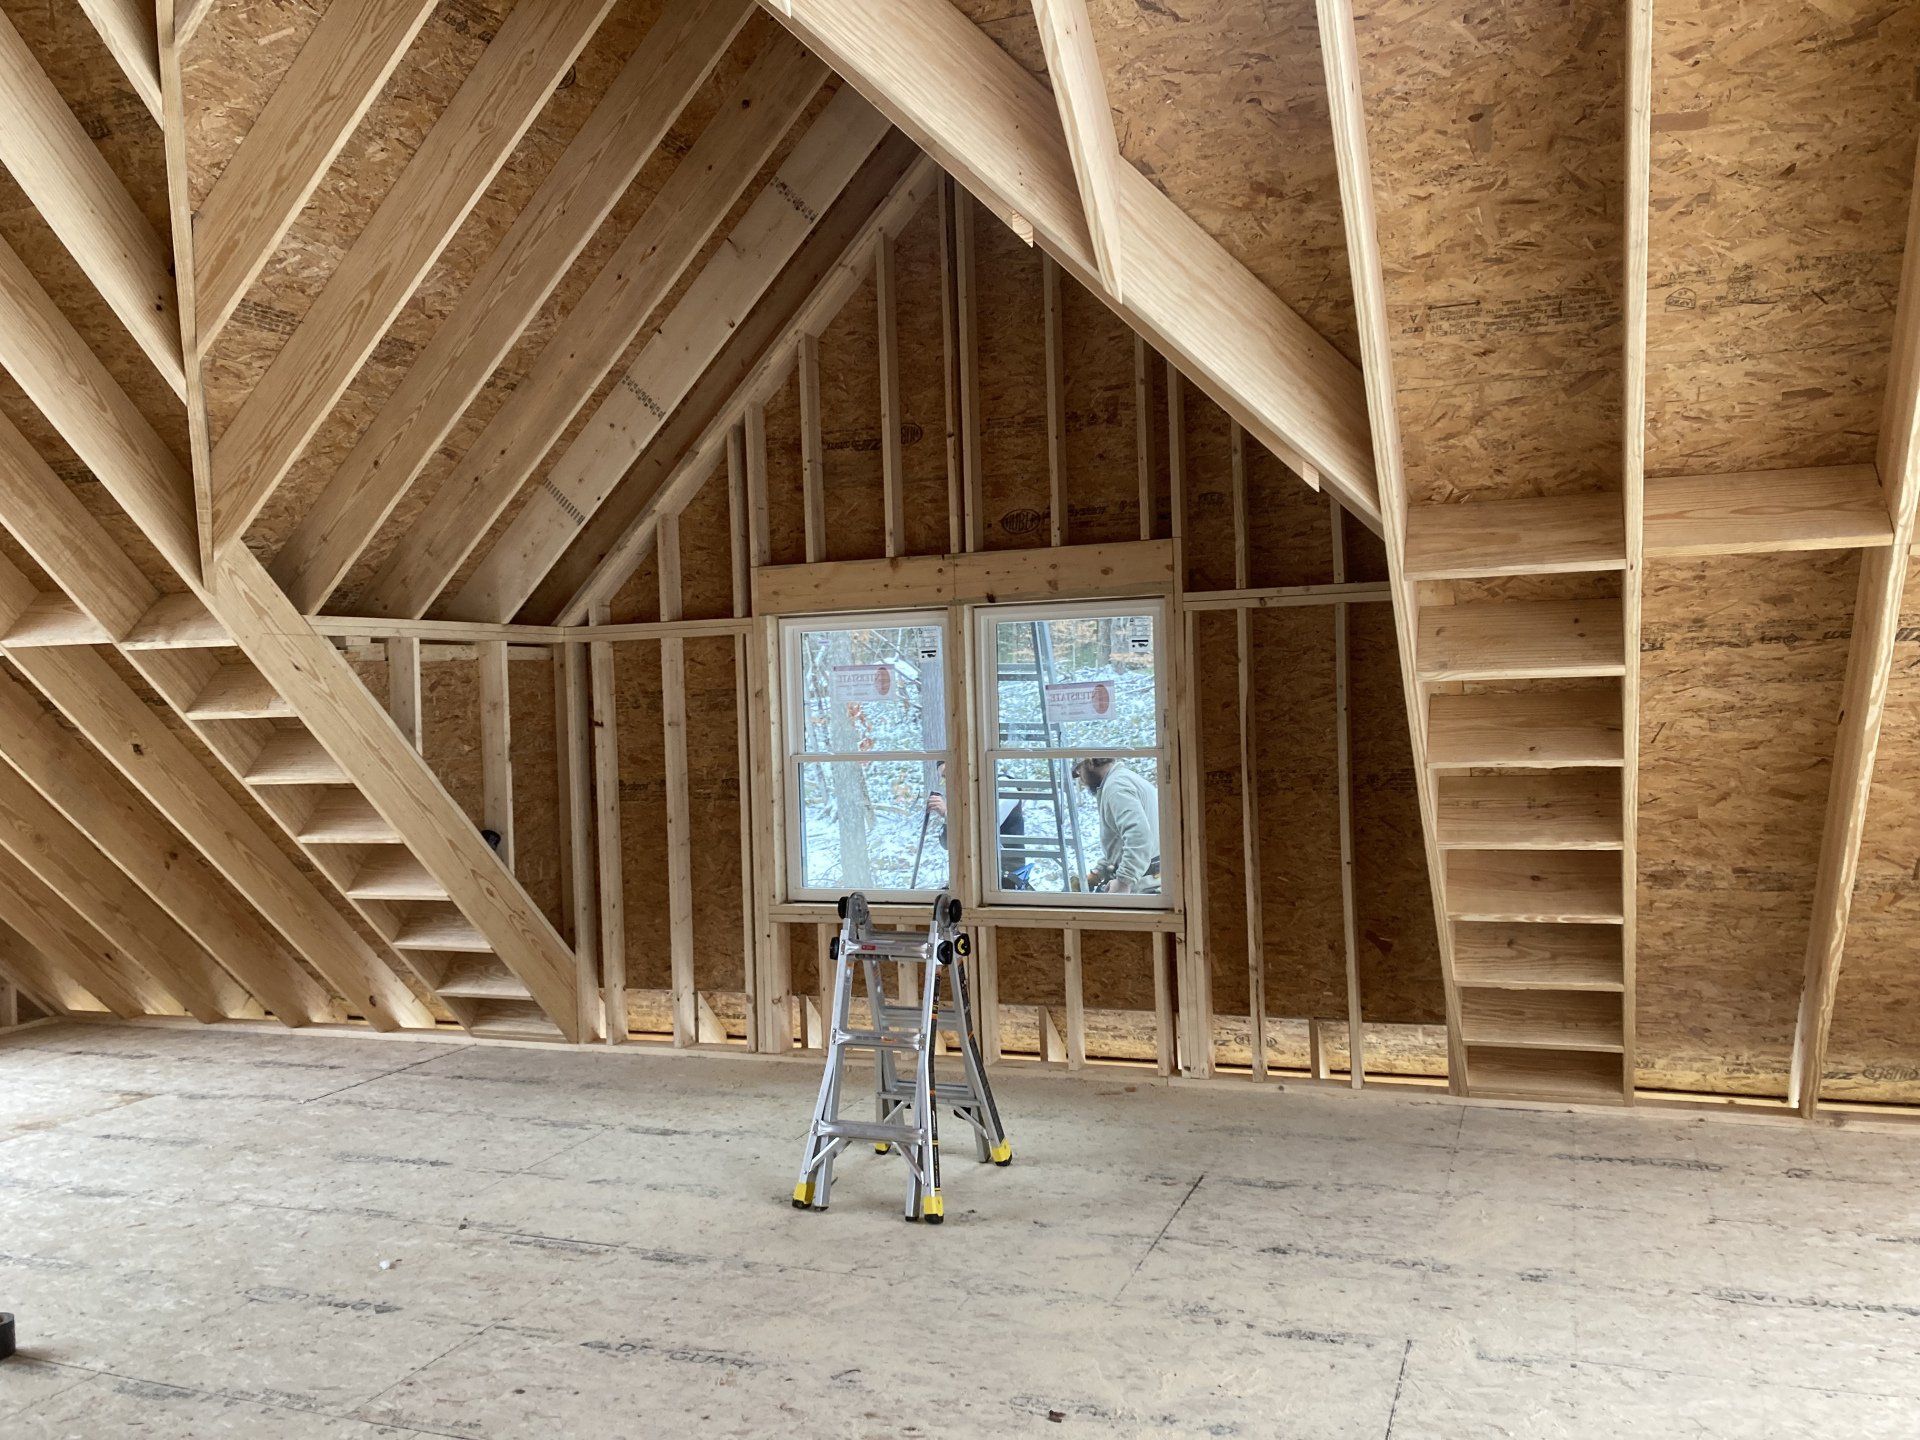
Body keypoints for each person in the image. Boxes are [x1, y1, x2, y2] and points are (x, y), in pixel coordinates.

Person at [925, 762, 1028, 888]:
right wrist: (948, 816)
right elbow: (947, 844)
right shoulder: (963, 798)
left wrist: (948, 814)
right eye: (945, 777)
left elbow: (985, 827)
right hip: (976, 873)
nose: (949, 781)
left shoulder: (1005, 786)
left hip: (1004, 875)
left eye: (950, 773)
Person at [1072, 757, 1160, 894]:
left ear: (1089, 763)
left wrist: (1124, 880)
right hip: (1148, 876)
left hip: (1140, 884)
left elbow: (1138, 835)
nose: (1081, 780)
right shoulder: (1124, 779)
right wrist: (1099, 873)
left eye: (1079, 771)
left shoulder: (1116, 787)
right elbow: (1119, 843)